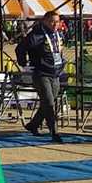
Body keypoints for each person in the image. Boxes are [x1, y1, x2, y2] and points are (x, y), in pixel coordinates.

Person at [19, 10, 66, 142]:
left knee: (48, 102)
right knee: (49, 102)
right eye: (52, 22)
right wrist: (23, 62)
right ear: (45, 21)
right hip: (42, 74)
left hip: (55, 73)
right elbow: (21, 48)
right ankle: (54, 132)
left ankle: (33, 124)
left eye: (57, 22)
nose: (55, 24)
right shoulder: (37, 35)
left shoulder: (58, 34)